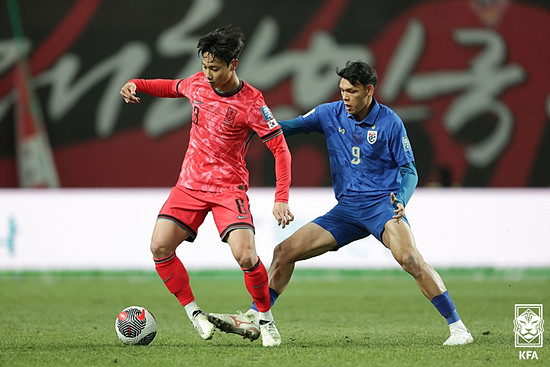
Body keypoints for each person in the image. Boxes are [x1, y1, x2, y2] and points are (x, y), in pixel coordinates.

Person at [208, 61, 474, 346]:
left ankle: (458, 328)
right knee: (284, 251)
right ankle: (256, 314)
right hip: (346, 211)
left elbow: (409, 170)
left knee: (410, 259)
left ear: (369, 90)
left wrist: (402, 200)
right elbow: (287, 128)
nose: (345, 97)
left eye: (352, 91)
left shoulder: (389, 122)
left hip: (382, 206)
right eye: (342, 90)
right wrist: (252, 124)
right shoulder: (329, 113)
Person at [119, 25, 294, 347]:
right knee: (159, 247)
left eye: (215, 68)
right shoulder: (197, 84)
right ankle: (194, 313)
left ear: (233, 65)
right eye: (204, 66)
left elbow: (280, 149)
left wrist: (280, 197)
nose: (208, 74)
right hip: (189, 185)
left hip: (229, 190)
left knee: (246, 256)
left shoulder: (252, 103)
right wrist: (137, 84)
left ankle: (266, 320)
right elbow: (170, 86)